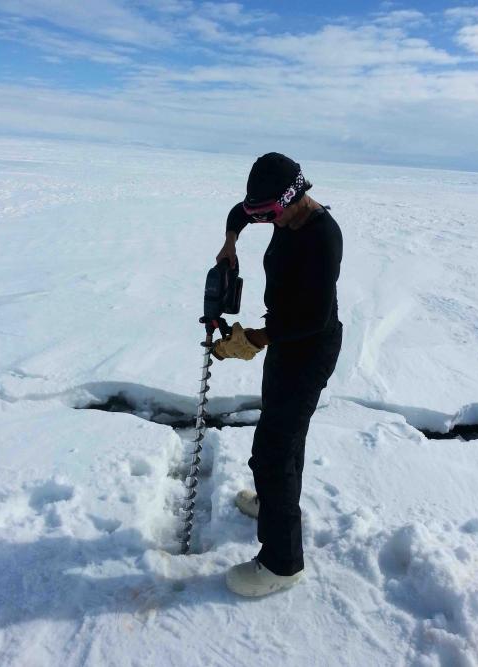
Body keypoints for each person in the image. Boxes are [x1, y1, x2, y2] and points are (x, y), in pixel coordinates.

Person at [212, 152, 343, 597]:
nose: (266, 221)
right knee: (285, 435)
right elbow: (239, 212)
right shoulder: (279, 212)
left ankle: (282, 564)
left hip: (310, 346)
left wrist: (255, 338)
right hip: (286, 343)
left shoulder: (323, 237)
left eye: (270, 214)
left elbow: (315, 318)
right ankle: (274, 504)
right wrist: (231, 240)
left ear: (294, 196)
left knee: (273, 449)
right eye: (259, 215)